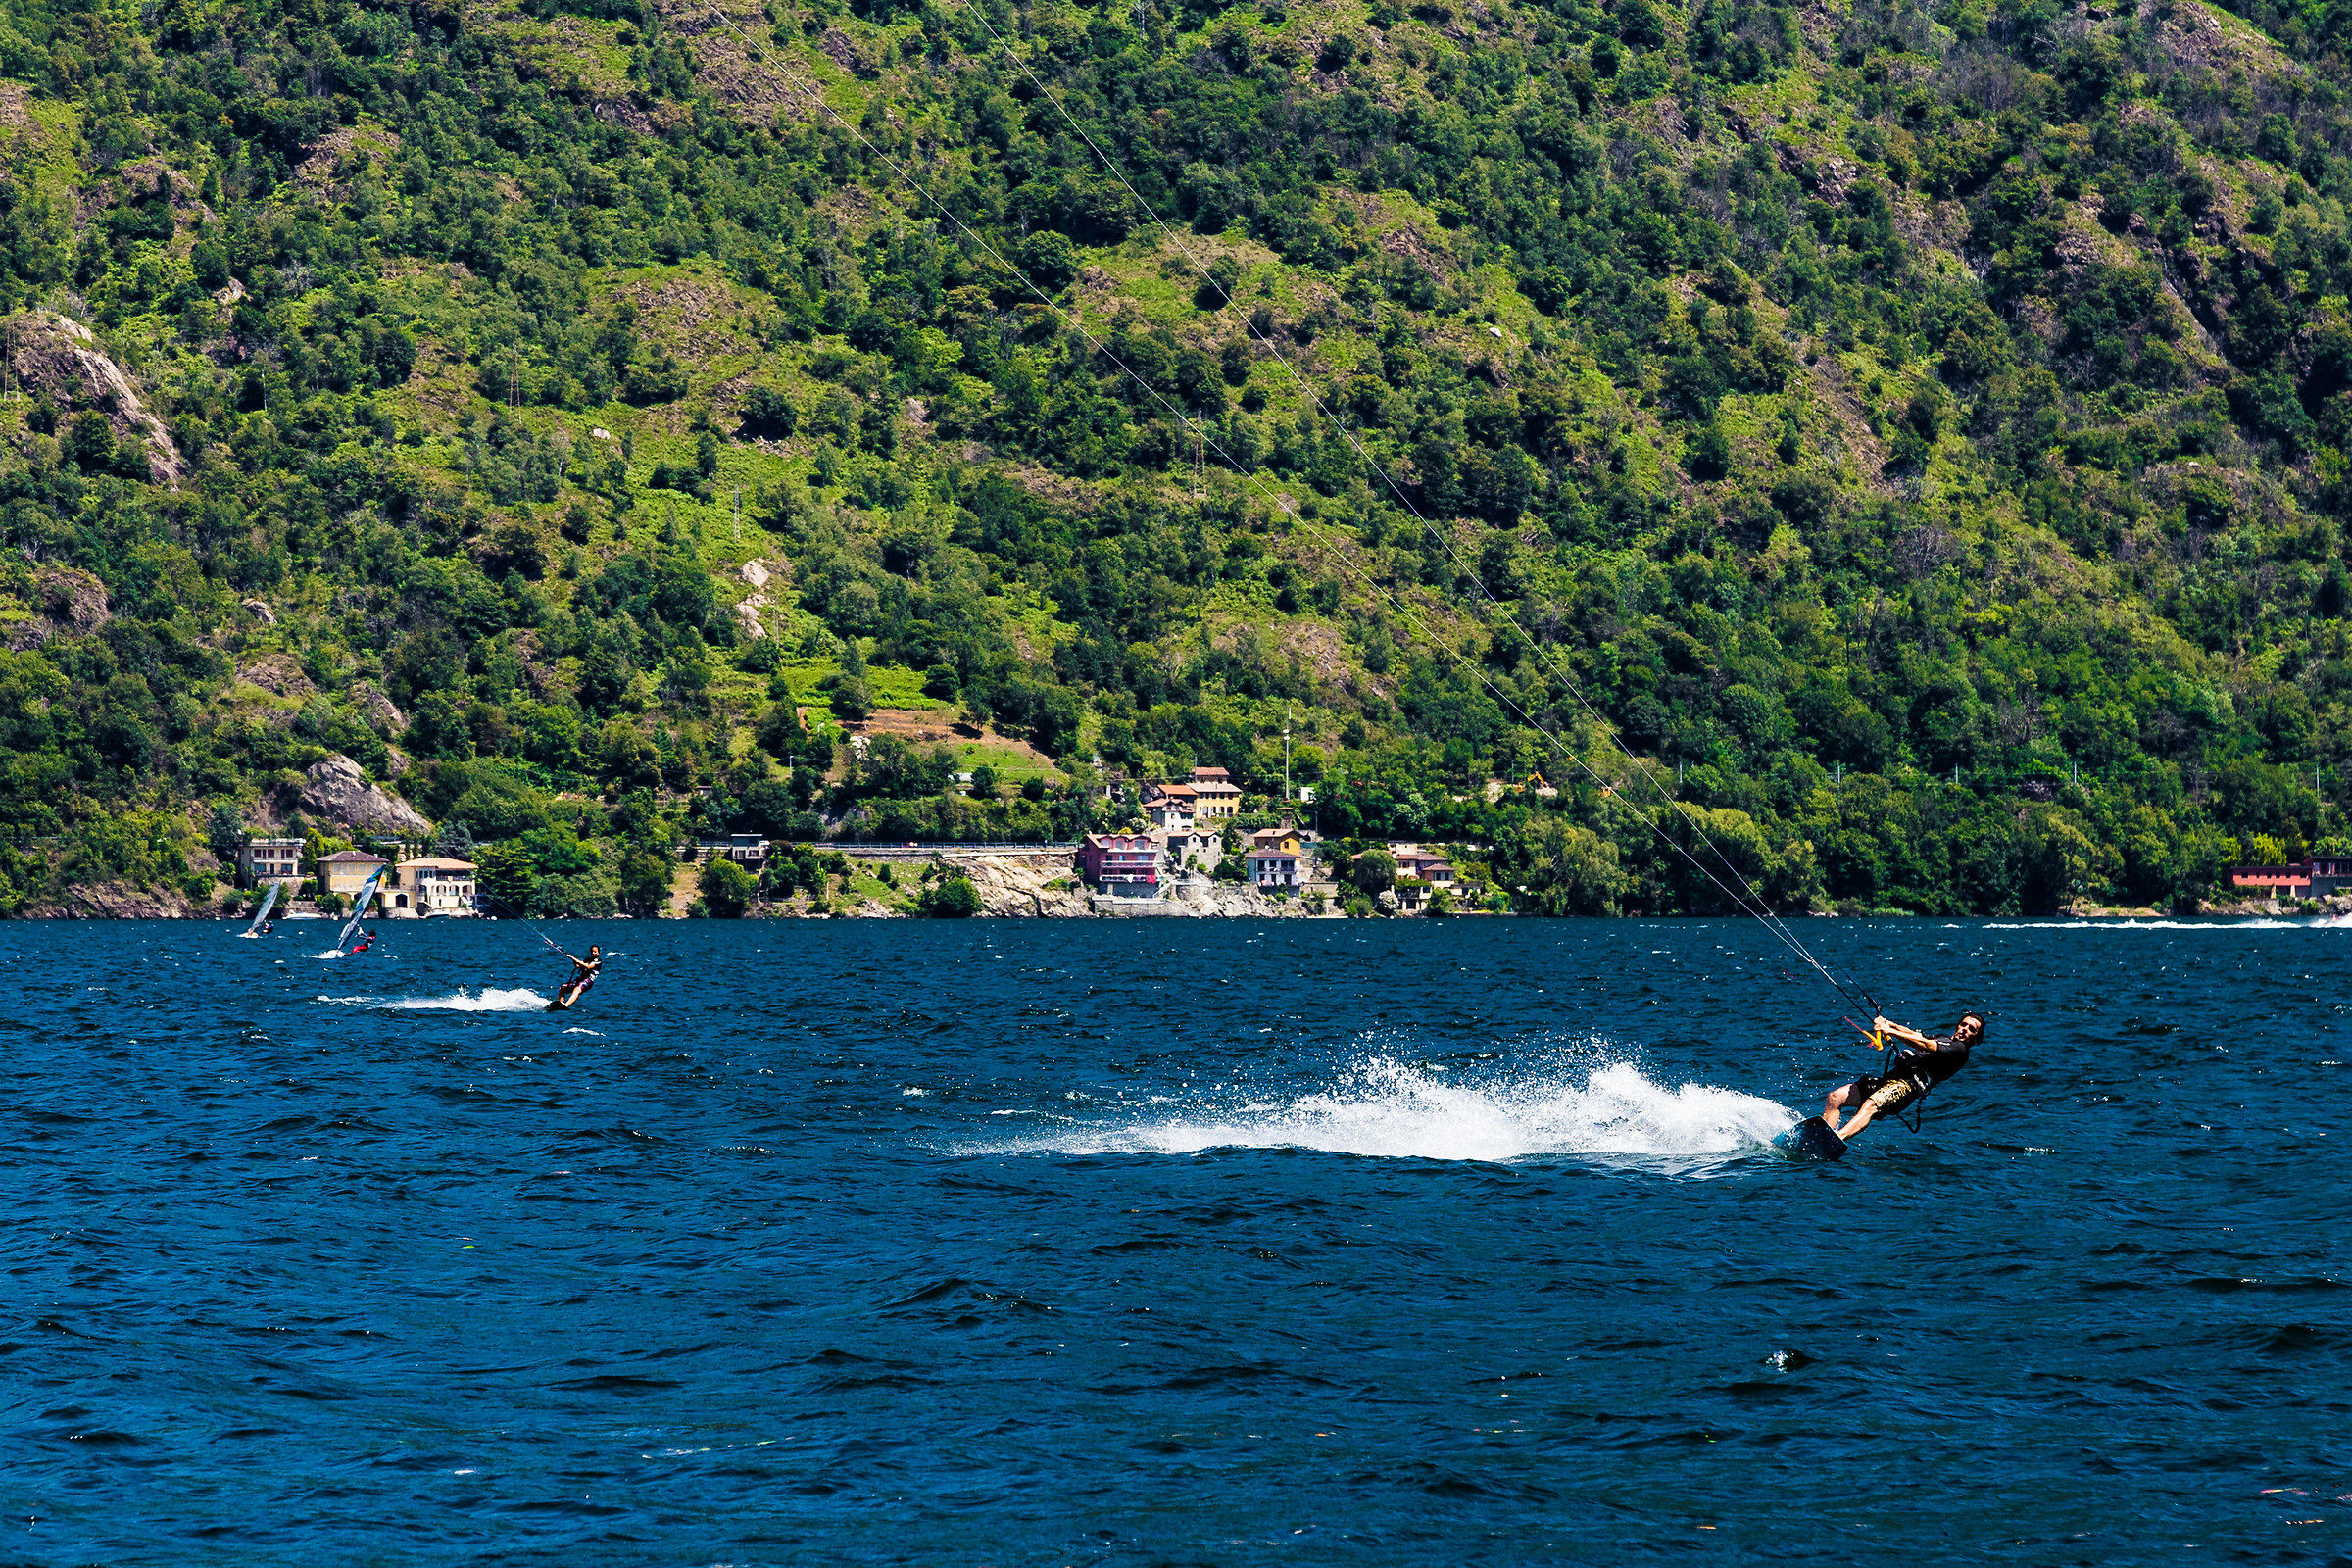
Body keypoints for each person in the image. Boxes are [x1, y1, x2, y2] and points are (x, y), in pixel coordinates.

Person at [1824, 1011, 1984, 1141]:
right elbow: (1915, 1035)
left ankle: (1837, 1138)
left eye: (1971, 1029)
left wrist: (1890, 1031)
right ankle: (1824, 1134)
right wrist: (1890, 1024)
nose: (1965, 1029)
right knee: (1835, 1097)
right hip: (1890, 1080)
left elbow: (1923, 1044)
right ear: (1957, 1025)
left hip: (1907, 1087)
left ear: (1976, 1039)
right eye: (1964, 1024)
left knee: (1871, 1105)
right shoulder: (1944, 1038)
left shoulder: (1960, 1050)